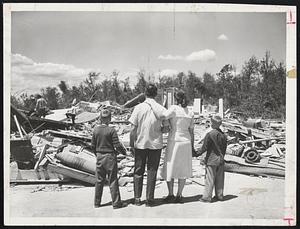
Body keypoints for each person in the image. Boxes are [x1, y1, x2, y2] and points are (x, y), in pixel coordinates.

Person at [147, 90, 194, 203]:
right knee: (183, 168)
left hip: (175, 140)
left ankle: (171, 194)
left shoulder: (173, 108)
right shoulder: (190, 111)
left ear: (175, 99)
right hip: (186, 141)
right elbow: (191, 130)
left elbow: (163, 115)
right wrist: (192, 146)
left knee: (170, 166)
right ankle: (179, 195)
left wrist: (154, 106)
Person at [129, 84, 167, 207]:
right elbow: (166, 128)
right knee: (152, 171)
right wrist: (158, 129)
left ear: (145, 93)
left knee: (138, 171)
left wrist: (131, 144)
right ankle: (149, 199)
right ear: (156, 94)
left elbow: (133, 129)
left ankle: (137, 198)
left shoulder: (138, 108)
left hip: (140, 143)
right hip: (155, 144)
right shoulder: (160, 108)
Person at [91, 109, 128, 209]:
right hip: (110, 157)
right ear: (109, 119)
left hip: (99, 156)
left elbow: (92, 146)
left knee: (99, 181)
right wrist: (124, 153)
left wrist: (98, 154)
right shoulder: (111, 130)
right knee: (112, 180)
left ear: (100, 118)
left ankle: (97, 203)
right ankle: (116, 203)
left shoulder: (96, 130)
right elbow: (117, 145)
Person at [197, 115, 227, 203]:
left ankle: (206, 198)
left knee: (209, 179)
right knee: (220, 179)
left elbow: (204, 148)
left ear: (212, 123)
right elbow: (224, 148)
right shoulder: (223, 135)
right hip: (221, 160)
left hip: (211, 160)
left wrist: (195, 153)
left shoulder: (210, 134)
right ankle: (219, 196)